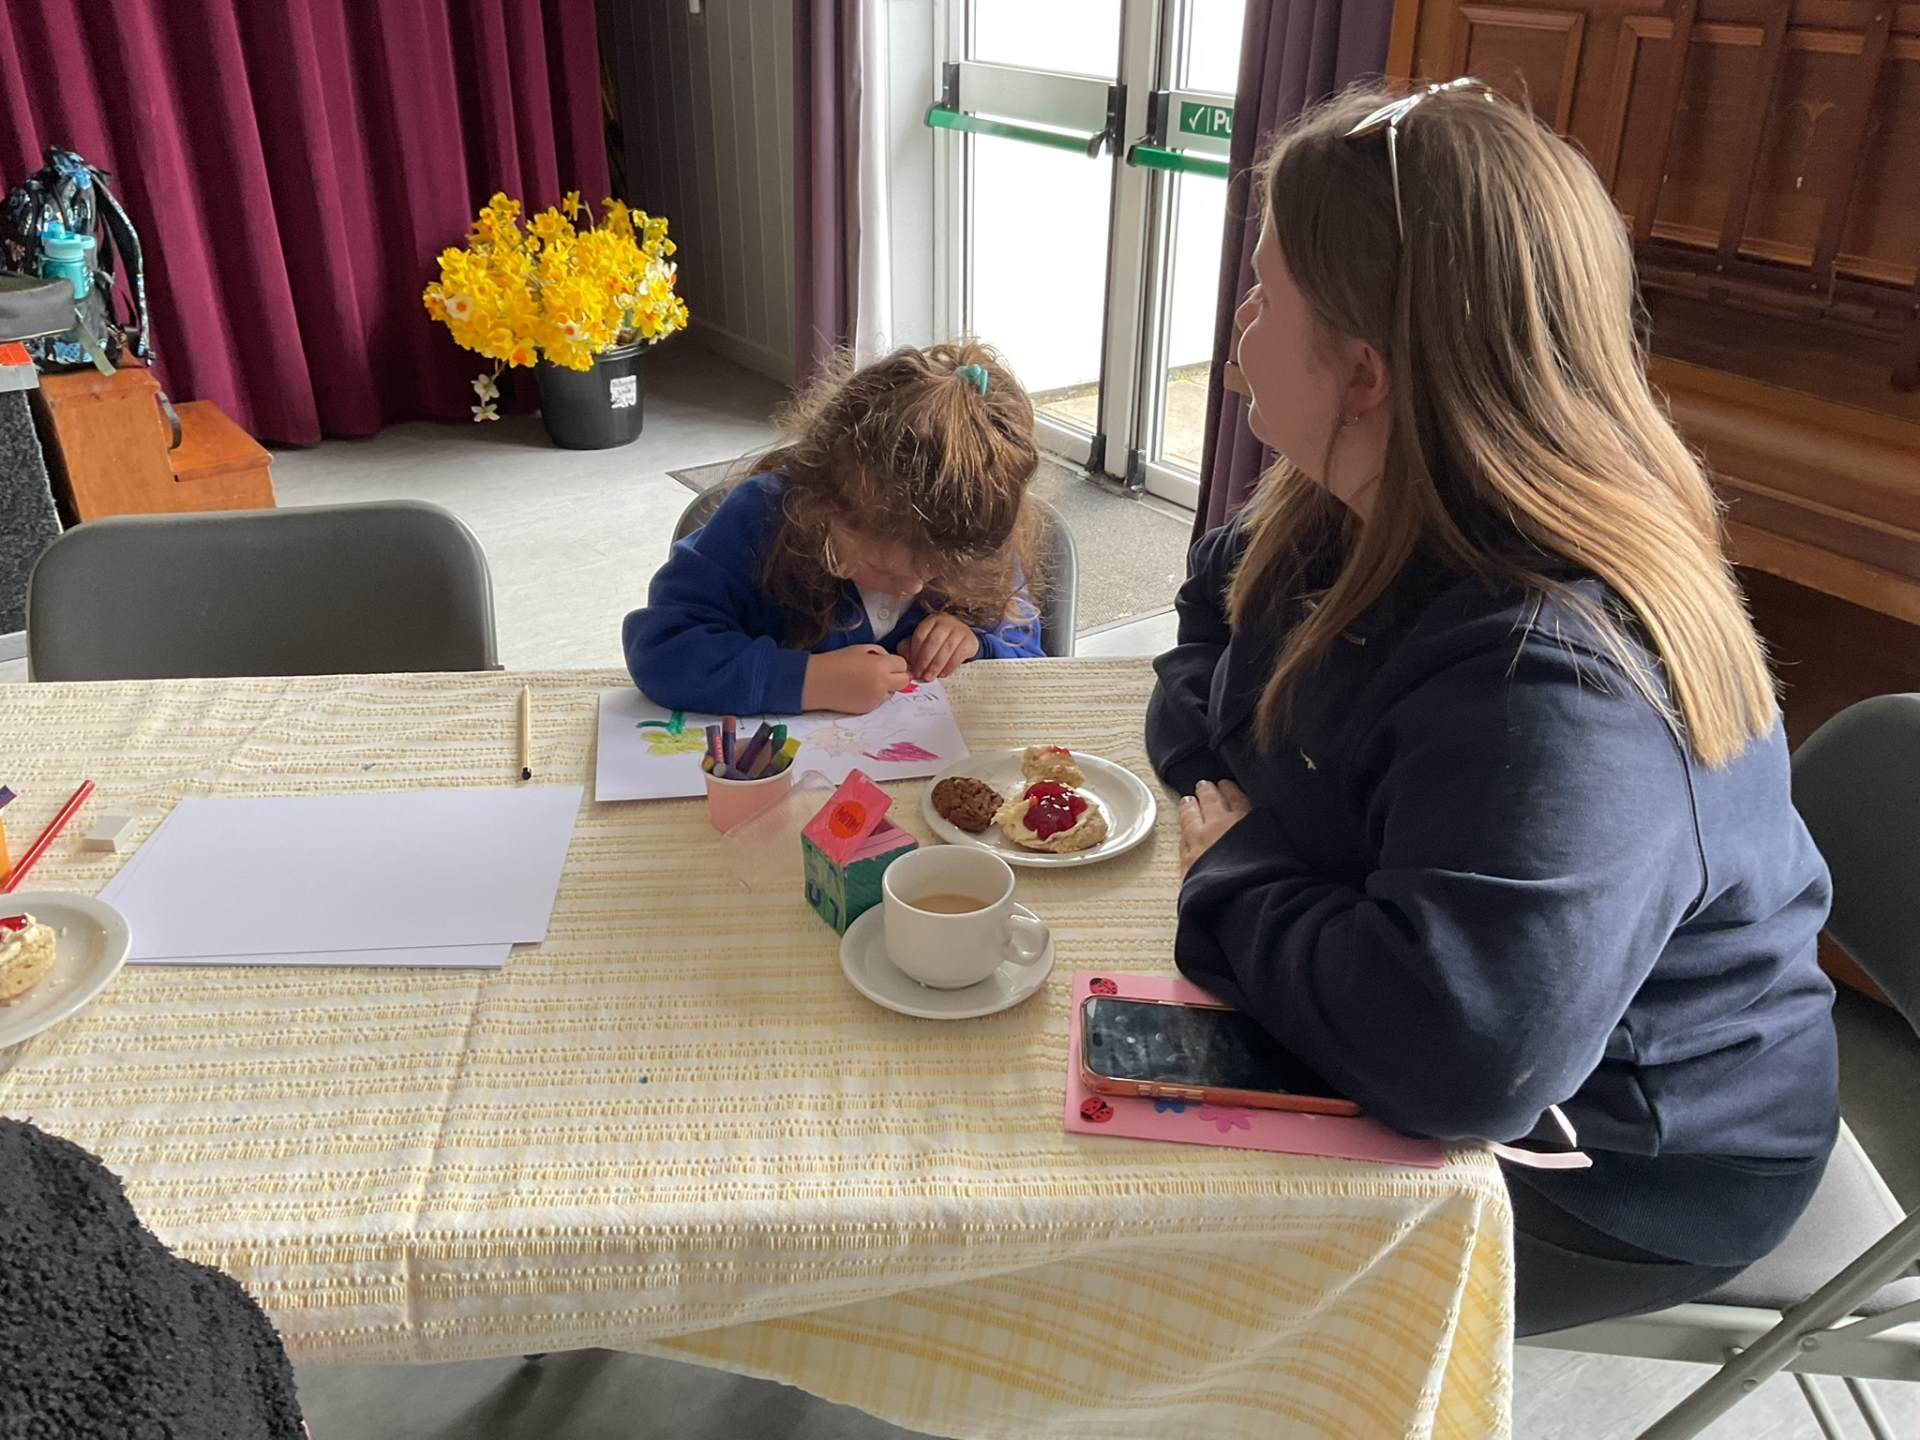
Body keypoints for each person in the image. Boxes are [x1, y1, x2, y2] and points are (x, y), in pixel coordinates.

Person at [1147, 80, 1838, 1336]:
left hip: (1630, 1161)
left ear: (1365, 373)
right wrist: (1234, 797)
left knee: (1182, 1264)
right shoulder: (1341, 501)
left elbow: (1457, 1058)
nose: (1239, 325)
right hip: (1456, 1000)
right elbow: (1211, 627)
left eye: (1263, 294)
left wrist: (1240, 869)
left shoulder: (1558, 681)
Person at [625, 341, 1046, 715]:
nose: (914, 587)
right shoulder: (760, 517)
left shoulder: (971, 535)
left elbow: (1030, 654)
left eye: (939, 571)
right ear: (820, 505)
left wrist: (977, 644)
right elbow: (662, 649)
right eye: (881, 566)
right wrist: (806, 681)